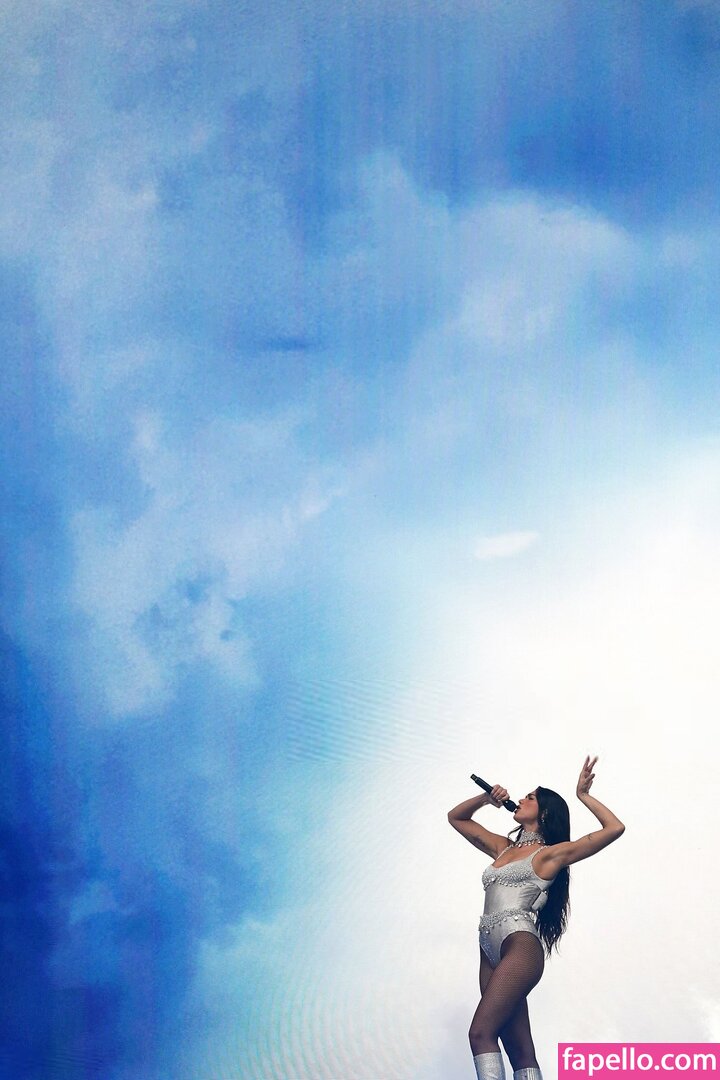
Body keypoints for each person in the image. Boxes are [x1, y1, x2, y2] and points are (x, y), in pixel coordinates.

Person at [447, 756, 625, 1080]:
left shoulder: (550, 855)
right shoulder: (502, 848)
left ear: (543, 813)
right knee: (520, 1053)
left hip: (519, 947)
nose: (521, 798)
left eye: (530, 797)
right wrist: (486, 799)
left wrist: (583, 796)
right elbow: (456, 818)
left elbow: (614, 828)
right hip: (488, 950)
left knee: (480, 1033)